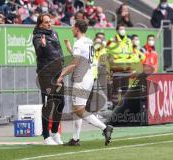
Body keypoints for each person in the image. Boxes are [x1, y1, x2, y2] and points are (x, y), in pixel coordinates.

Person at [57, 20, 113, 146]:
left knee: (79, 110)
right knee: (77, 108)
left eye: (73, 27)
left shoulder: (79, 43)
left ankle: (105, 128)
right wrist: (70, 49)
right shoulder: (89, 41)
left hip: (81, 78)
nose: (71, 29)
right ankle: (75, 138)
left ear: (77, 28)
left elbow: (74, 64)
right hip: (88, 76)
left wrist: (61, 75)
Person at [32, 14, 65, 145]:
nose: (49, 24)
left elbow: (59, 51)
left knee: (60, 102)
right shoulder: (37, 37)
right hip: (46, 74)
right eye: (46, 22)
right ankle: (46, 136)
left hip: (58, 73)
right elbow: (39, 51)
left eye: (49, 22)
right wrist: (43, 46)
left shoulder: (55, 33)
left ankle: (55, 132)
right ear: (40, 24)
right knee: (48, 104)